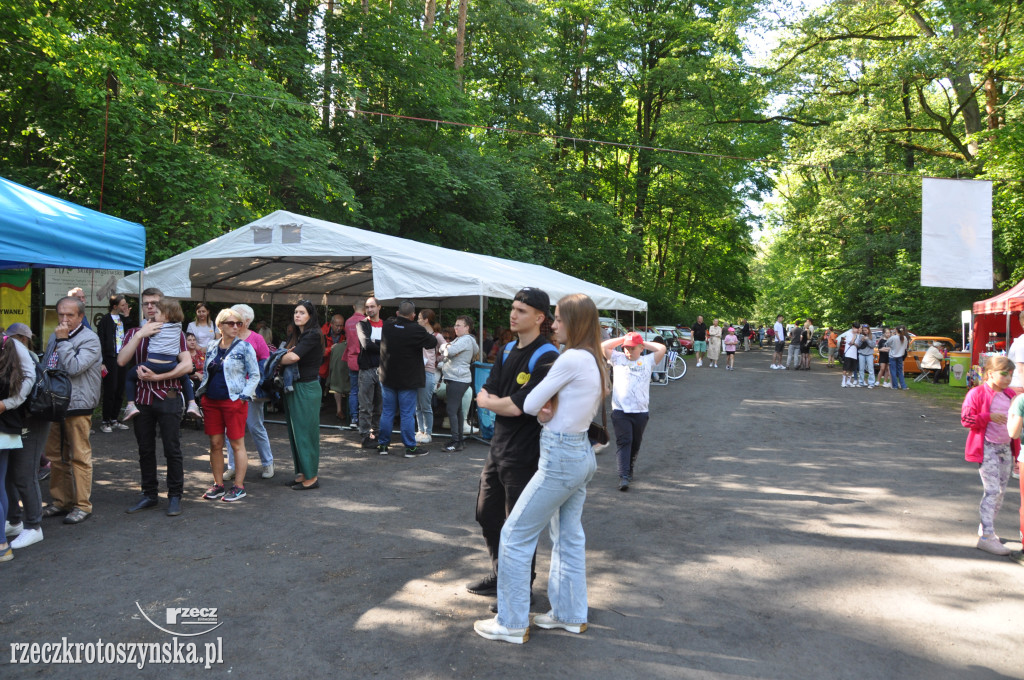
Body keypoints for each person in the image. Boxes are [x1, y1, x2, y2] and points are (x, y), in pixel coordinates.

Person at [473, 293, 605, 644]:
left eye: (559, 319)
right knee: (568, 538)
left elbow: (529, 404)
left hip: (560, 457)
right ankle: (570, 615)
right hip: (579, 453)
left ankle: (513, 621)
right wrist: (546, 407)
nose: (554, 325)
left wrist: (541, 406)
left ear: (574, 323)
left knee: (514, 535)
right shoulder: (592, 357)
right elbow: (547, 406)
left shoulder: (569, 357)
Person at [469, 287, 559, 604]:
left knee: (518, 526)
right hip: (498, 448)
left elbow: (519, 407)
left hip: (525, 453)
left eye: (521, 310)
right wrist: (500, 402)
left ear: (539, 317)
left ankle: (521, 588)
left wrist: (498, 402)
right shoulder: (507, 350)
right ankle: (502, 575)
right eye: (513, 308)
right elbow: (484, 393)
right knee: (486, 514)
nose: (513, 314)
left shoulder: (547, 356)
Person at [117, 288, 193, 517]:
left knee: (172, 448)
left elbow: (187, 366)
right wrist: (141, 334)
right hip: (141, 399)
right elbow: (121, 361)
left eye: (154, 303)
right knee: (145, 449)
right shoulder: (133, 333)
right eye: (146, 303)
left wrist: (159, 377)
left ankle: (174, 496)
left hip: (167, 396)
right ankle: (149, 495)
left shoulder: (174, 332)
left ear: (162, 306)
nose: (150, 307)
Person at [41, 296, 102, 524]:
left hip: (78, 405)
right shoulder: (54, 336)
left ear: (81, 316)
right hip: (54, 405)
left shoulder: (90, 339)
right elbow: (48, 366)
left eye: (70, 315)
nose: (64, 319)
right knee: (56, 457)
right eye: (61, 314)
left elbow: (74, 367)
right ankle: (61, 501)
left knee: (79, 457)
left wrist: (63, 341)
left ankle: (82, 505)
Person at [198, 308, 260, 502]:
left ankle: (239, 486)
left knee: (236, 444)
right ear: (220, 326)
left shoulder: (245, 347)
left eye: (238, 324)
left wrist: (243, 396)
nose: (235, 327)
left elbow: (255, 375)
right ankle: (218, 485)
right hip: (212, 401)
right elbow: (207, 371)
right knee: (215, 444)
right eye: (231, 323)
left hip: (233, 401)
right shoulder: (212, 346)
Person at [961, 356, 1018, 556]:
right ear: (990, 373)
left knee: (1001, 492)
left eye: (1011, 374)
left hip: (1005, 449)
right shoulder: (976, 393)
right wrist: (988, 417)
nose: (1008, 378)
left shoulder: (1010, 394)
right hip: (986, 447)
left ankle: (987, 526)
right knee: (992, 491)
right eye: (1004, 374)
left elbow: (1015, 427)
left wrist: (1017, 454)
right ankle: (986, 537)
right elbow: (966, 420)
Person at [120, 299, 202, 421]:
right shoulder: (178, 328)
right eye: (146, 304)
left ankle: (131, 405)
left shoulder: (154, 327)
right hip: (171, 364)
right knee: (184, 377)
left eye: (156, 311)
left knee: (130, 376)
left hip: (152, 365)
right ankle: (192, 404)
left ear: (166, 315)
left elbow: (145, 334)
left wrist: (144, 330)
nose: (152, 311)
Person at [603, 332, 665, 490]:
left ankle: (629, 468)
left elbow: (661, 348)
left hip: (640, 412)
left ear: (641, 348)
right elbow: (603, 346)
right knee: (625, 442)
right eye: (626, 348)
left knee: (635, 444)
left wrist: (642, 341)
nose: (628, 351)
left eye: (632, 348)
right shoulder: (617, 358)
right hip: (620, 411)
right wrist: (623, 340)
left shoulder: (648, 361)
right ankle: (623, 476)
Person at [376, 301, 438, 457]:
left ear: (397, 313)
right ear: (413, 316)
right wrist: (426, 329)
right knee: (406, 414)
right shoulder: (416, 330)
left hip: (388, 377)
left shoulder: (388, 326)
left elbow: (392, 321)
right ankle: (410, 448)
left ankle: (383, 445)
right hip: (408, 380)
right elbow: (432, 342)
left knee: (387, 412)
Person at [223, 304, 276, 480]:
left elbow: (265, 364)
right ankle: (231, 466)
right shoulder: (227, 336)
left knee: (255, 426)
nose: (233, 322)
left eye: (236, 318)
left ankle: (268, 463)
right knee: (229, 429)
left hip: (251, 390)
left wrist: (252, 384)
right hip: (230, 390)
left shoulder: (256, 339)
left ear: (246, 321)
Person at [1, 326, 39, 558]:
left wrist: (9, 403)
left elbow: (30, 376)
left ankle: (7, 542)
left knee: (18, 477)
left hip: (9, 421)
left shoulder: (12, 345)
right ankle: (11, 525)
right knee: (5, 481)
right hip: (9, 422)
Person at [280, 301, 324, 490]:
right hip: (296, 387)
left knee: (306, 434)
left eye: (302, 312)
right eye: (296, 312)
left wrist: (275, 358)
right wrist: (282, 356)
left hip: (307, 388)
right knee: (296, 434)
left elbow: (293, 357)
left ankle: (311, 477)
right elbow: (289, 355)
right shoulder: (298, 334)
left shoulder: (313, 334)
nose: (297, 315)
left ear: (310, 316)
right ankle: (302, 473)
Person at [440, 316, 479, 452]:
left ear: (467, 327)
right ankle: (459, 440)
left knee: (452, 410)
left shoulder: (465, 340)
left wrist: (445, 346)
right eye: (455, 325)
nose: (455, 328)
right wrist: (447, 348)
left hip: (457, 378)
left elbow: (448, 351)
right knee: (457, 410)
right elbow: (448, 351)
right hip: (458, 378)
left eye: (459, 325)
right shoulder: (463, 339)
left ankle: (456, 441)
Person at [97, 294, 134, 433]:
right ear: (115, 306)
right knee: (110, 389)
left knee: (120, 389)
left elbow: (131, 333)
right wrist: (102, 361)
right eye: (123, 305)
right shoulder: (105, 320)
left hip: (123, 357)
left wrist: (127, 316)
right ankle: (105, 420)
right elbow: (101, 340)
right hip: (110, 358)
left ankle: (114, 418)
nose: (125, 307)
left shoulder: (124, 319)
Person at [356, 297, 384, 448]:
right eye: (367, 307)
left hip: (383, 369)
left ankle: (377, 433)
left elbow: (372, 344)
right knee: (365, 405)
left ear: (379, 307)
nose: (370, 309)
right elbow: (366, 344)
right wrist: (384, 346)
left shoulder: (385, 325)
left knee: (380, 405)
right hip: (366, 369)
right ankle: (366, 436)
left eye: (372, 306)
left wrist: (376, 344)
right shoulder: (362, 324)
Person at [416, 309, 446, 444]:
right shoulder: (417, 333)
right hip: (416, 371)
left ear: (426, 320)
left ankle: (428, 432)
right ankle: (420, 431)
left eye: (419, 318)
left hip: (428, 371)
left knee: (425, 404)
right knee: (417, 405)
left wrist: (435, 359)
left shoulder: (437, 336)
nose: (417, 320)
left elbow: (446, 352)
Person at [343, 302, 366, 430]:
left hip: (351, 359)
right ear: (365, 309)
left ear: (353, 307)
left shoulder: (348, 322)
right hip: (364, 360)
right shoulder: (366, 321)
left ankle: (353, 418)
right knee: (366, 391)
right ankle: (364, 418)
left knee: (353, 391)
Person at [886, 326, 910, 390]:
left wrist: (892, 346)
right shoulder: (904, 338)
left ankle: (895, 385)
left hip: (893, 356)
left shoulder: (893, 337)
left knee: (893, 371)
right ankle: (903, 385)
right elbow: (905, 347)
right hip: (900, 356)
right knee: (900, 371)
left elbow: (887, 343)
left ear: (896, 330)